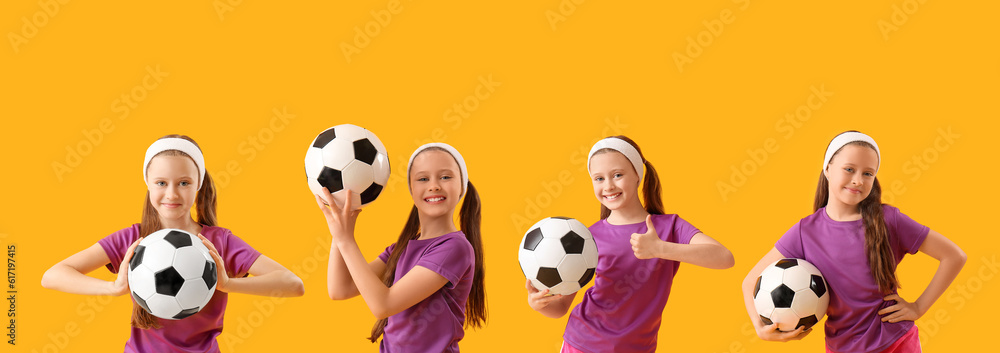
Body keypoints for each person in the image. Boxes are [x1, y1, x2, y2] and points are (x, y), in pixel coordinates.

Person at [41, 134, 305, 353]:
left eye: (183, 183)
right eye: (161, 183)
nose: (172, 193)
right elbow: (52, 276)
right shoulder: (133, 239)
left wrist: (228, 284)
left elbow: (294, 285)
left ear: (198, 185)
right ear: (148, 185)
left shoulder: (219, 242)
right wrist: (114, 288)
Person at [740, 131, 966, 353]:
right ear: (827, 168)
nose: (858, 180)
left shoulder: (889, 220)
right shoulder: (804, 232)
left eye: (868, 173)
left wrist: (918, 307)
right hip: (841, 347)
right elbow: (750, 282)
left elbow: (954, 256)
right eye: (849, 169)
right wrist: (761, 328)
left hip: (896, 342)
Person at [527, 136, 735, 353]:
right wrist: (539, 304)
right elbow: (560, 308)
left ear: (637, 174)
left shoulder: (669, 227)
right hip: (583, 344)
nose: (608, 186)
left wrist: (660, 248)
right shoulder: (588, 237)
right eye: (598, 178)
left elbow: (724, 258)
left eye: (618, 175)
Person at [318, 142, 487, 352]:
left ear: (462, 185)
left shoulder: (454, 248)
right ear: (411, 189)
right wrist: (341, 231)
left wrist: (345, 240)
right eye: (423, 179)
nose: (434, 186)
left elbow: (383, 305)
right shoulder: (399, 250)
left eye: (445, 177)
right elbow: (340, 289)